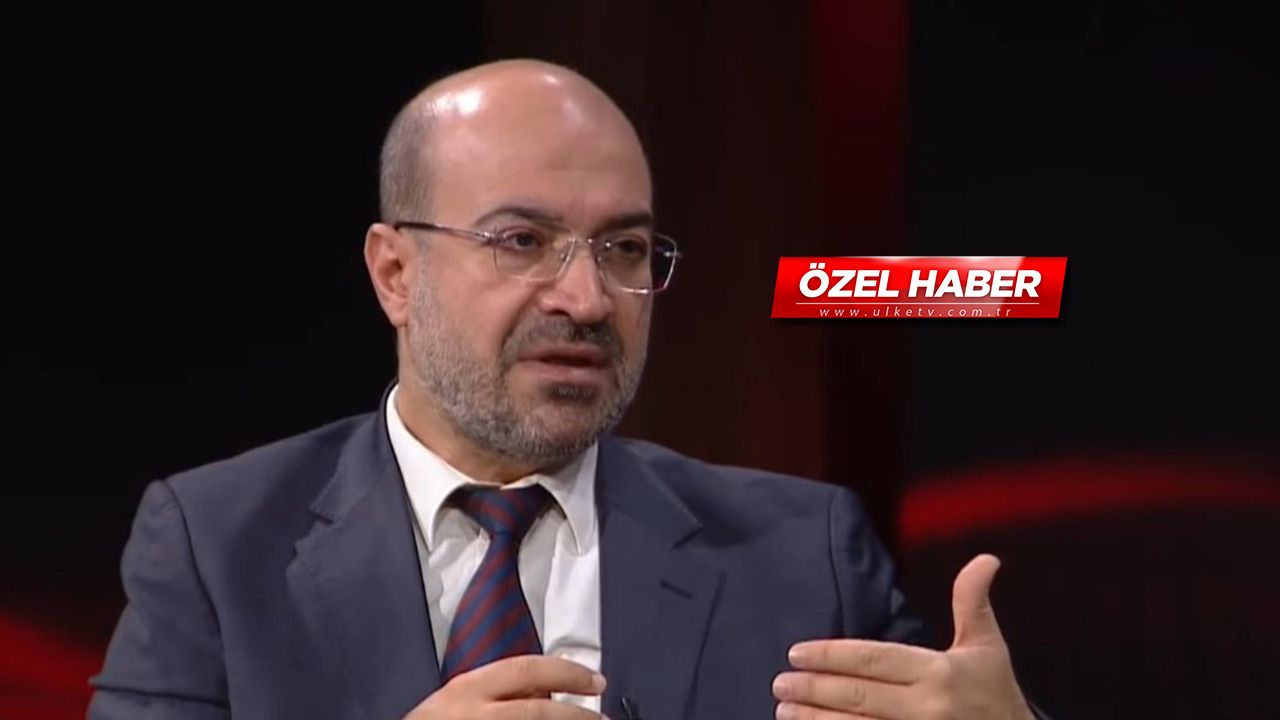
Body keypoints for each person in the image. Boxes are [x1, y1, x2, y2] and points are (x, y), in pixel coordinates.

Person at [89, 59, 1047, 720]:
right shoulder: (218, 549)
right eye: (522, 241)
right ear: (395, 274)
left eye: (624, 248)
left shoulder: (804, 556)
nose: (586, 299)